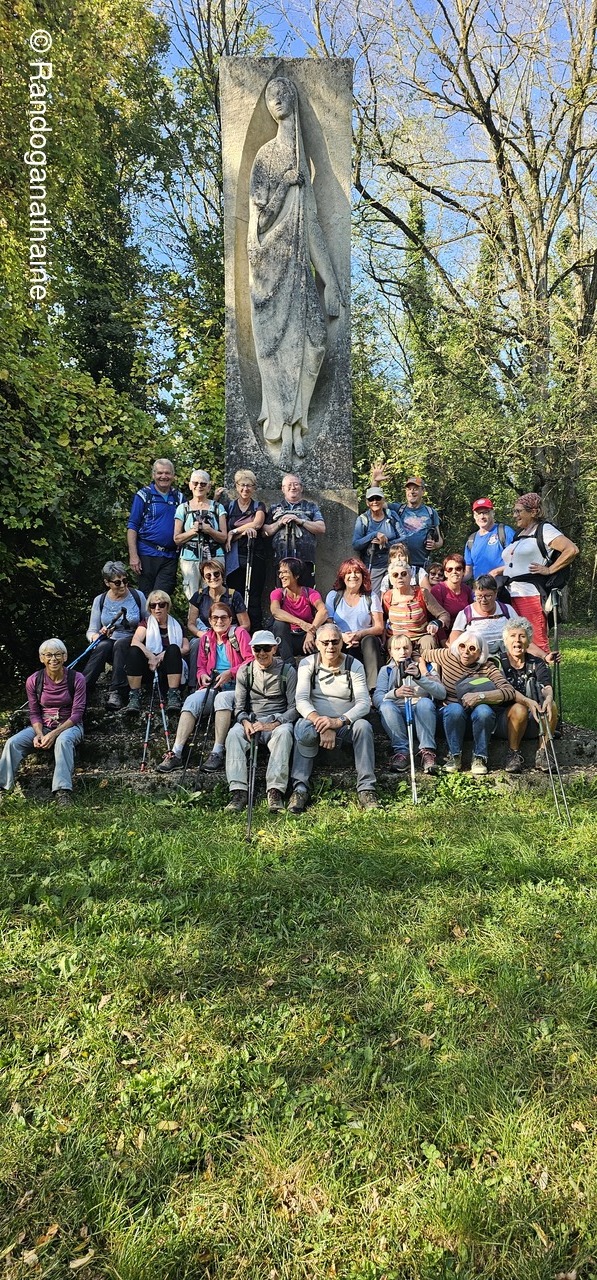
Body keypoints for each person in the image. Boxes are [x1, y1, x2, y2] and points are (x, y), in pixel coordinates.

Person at [248, 76, 343, 470]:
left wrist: (331, 281)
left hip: (299, 273)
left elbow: (313, 228)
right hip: (272, 271)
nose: (276, 100)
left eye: (282, 94)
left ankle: (299, 420)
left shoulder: (303, 158)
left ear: (292, 99)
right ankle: (285, 432)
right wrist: (286, 185)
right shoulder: (266, 156)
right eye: (270, 96)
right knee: (277, 355)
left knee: (316, 342)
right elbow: (259, 221)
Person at [289, 621, 377, 813]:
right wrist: (323, 724)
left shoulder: (354, 665)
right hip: (315, 722)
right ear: (317, 644)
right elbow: (301, 700)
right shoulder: (307, 664)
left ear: (342, 643)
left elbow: (364, 703)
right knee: (302, 728)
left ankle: (366, 788)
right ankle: (300, 788)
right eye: (325, 642)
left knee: (363, 727)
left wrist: (337, 722)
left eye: (335, 642)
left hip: (344, 723)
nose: (330, 646)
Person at [157, 603, 252, 774]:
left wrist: (231, 672)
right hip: (212, 686)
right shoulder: (206, 638)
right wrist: (202, 675)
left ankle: (217, 751)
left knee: (222, 699)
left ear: (230, 619)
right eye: (215, 618)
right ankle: (176, 752)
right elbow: (201, 666)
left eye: (223, 617)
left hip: (236, 687)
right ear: (209, 620)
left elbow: (251, 660)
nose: (219, 621)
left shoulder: (239, 634)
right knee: (191, 701)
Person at [0, 639, 86, 806]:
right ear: (42, 658)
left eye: (58, 654)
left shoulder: (77, 678)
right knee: (12, 743)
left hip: (70, 726)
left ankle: (62, 791)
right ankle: (2, 788)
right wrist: (39, 734)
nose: (53, 659)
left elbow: (77, 714)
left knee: (63, 741)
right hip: (43, 726)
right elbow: (34, 712)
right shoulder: (34, 680)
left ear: (65, 657)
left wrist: (53, 734)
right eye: (48, 655)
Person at [225, 630, 298, 813]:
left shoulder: (288, 671)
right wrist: (245, 722)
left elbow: (294, 708)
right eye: (257, 649)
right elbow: (239, 707)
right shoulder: (245, 671)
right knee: (234, 734)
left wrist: (274, 723)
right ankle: (238, 791)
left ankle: (275, 791)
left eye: (266, 648)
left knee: (284, 734)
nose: (262, 653)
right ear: (252, 650)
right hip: (252, 719)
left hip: (277, 720)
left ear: (274, 649)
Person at [499, 492, 579, 653]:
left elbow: (571, 550)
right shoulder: (519, 534)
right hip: (510, 594)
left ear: (534, 512)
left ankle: (542, 669)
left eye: (518, 511)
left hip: (531, 594)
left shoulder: (545, 529)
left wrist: (549, 569)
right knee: (514, 641)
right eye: (514, 511)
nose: (515, 515)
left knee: (536, 640)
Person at [431, 634, 515, 775]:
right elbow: (420, 653)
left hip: (479, 721)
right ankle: (454, 756)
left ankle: (479, 757)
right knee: (455, 709)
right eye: (462, 646)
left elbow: (509, 692)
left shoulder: (488, 667)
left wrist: (480, 696)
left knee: (484, 710)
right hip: (449, 718)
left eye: (472, 648)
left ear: (480, 653)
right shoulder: (447, 656)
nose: (465, 652)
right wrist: (427, 673)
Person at [374, 633, 446, 774]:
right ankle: (402, 752)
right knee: (386, 706)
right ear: (390, 651)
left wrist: (419, 677)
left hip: (422, 715)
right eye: (397, 649)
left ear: (412, 649)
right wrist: (395, 693)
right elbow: (377, 698)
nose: (403, 652)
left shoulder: (426, 668)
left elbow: (441, 693)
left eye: (406, 648)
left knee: (425, 702)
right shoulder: (386, 670)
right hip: (397, 717)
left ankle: (427, 752)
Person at [81, 561, 147, 710]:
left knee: (120, 644)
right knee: (103, 645)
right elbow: (91, 630)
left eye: (125, 580)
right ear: (107, 583)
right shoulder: (100, 600)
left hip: (133, 643)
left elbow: (149, 623)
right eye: (117, 582)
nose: (123, 585)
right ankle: (82, 687)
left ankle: (116, 692)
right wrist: (96, 637)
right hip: (110, 642)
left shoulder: (138, 596)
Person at [495, 617, 558, 773]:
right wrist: (527, 701)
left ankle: (543, 753)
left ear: (528, 641)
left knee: (551, 705)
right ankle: (513, 754)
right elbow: (506, 690)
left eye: (522, 636)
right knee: (519, 708)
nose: (517, 640)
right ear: (506, 641)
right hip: (504, 722)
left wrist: (548, 698)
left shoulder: (537, 663)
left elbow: (546, 686)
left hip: (533, 720)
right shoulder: (497, 663)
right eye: (513, 636)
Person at [187, 560, 250, 689]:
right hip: (205, 635)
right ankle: (195, 684)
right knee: (195, 643)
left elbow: (246, 624)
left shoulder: (233, 595)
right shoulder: (199, 596)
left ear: (222, 575)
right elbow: (191, 624)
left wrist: (232, 634)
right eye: (208, 575)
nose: (213, 578)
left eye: (216, 574)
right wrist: (203, 635)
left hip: (229, 634)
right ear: (204, 579)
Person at [127, 459, 184, 597]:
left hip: (170, 556)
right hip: (147, 553)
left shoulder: (179, 497)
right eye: (159, 473)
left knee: (162, 598)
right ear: (153, 475)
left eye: (167, 473)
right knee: (146, 598)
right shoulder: (144, 495)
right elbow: (132, 526)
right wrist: (133, 555)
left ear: (173, 475)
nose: (163, 476)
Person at [325, 558, 384, 692]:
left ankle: (373, 689)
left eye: (357, 572)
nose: (353, 576)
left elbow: (379, 627)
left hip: (364, 639)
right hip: (341, 639)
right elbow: (329, 624)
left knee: (370, 641)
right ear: (343, 576)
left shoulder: (371, 596)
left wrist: (360, 634)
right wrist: (343, 636)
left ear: (363, 576)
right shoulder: (333, 596)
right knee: (333, 641)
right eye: (349, 573)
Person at [125, 591, 189, 714]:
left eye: (161, 605)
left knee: (173, 649)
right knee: (134, 651)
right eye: (153, 605)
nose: (157, 608)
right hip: (150, 666)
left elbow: (186, 648)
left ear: (167, 606)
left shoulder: (177, 624)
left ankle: (173, 694)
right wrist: (151, 657)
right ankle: (134, 695)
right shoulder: (146, 623)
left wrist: (163, 655)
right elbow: (135, 641)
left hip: (169, 666)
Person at [372, 468, 443, 568]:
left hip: (422, 565)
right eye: (409, 489)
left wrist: (435, 545)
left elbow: (440, 540)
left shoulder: (431, 512)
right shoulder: (398, 509)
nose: (411, 492)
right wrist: (375, 482)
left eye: (415, 489)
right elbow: (375, 503)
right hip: (399, 564)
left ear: (423, 491)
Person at [174, 469, 227, 601]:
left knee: (214, 596)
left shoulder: (218, 508)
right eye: (195, 483)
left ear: (209, 487)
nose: (199, 486)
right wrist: (193, 531)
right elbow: (177, 539)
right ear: (190, 485)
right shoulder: (183, 508)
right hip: (190, 558)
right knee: (192, 597)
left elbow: (223, 537)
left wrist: (210, 530)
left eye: (203, 484)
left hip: (214, 556)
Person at [263, 474, 326, 587]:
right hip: (281, 558)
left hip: (305, 558)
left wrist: (300, 521)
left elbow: (321, 528)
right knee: (281, 591)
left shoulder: (311, 506)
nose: (293, 487)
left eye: (296, 484)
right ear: (283, 489)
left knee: (306, 590)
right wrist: (280, 522)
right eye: (289, 485)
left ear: (301, 488)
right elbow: (264, 532)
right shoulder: (275, 508)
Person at [224, 468, 267, 632]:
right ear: (236, 486)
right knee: (235, 595)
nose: (245, 489)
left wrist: (235, 531)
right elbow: (224, 533)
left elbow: (257, 524)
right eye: (242, 485)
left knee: (254, 596)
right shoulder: (229, 507)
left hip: (254, 556)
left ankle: (255, 632)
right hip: (234, 557)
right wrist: (240, 533)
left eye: (249, 485)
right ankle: (236, 631)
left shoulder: (258, 506)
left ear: (254, 488)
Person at [382, 561, 450, 652]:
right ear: (391, 579)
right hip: (397, 638)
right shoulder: (387, 597)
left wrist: (436, 624)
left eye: (404, 574)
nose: (400, 577)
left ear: (410, 576)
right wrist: (383, 637)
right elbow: (382, 620)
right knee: (398, 647)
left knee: (429, 641)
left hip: (421, 637)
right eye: (395, 575)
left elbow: (444, 615)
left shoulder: (422, 593)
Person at [270, 557, 329, 661]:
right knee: (279, 624)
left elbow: (323, 611)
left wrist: (311, 632)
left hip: (306, 638)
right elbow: (275, 611)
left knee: (326, 625)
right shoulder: (278, 593)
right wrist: (301, 623)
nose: (281, 576)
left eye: (285, 572)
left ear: (297, 575)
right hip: (286, 640)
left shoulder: (310, 593)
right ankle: (289, 664)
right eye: (280, 573)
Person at [451, 575, 520, 654]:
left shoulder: (507, 610)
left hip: (506, 656)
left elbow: (521, 634)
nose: (483, 600)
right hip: (477, 658)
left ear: (496, 593)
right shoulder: (466, 614)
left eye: (488, 596)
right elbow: (453, 644)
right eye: (479, 596)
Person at [352, 487, 402, 594]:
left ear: (383, 500)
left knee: (396, 595)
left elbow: (404, 538)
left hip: (394, 563)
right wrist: (373, 535)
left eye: (378, 498)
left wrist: (386, 543)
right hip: (374, 566)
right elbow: (356, 544)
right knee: (375, 597)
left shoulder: (391, 515)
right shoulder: (363, 519)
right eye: (371, 499)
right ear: (367, 502)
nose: (375, 501)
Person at [463, 498, 514, 582]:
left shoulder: (505, 532)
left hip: (504, 586)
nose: (481, 517)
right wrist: (452, 580)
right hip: (480, 588)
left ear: (492, 513)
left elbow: (517, 562)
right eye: (478, 513)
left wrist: (495, 572)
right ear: (474, 516)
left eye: (485, 512)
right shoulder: (471, 540)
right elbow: (468, 571)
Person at [431, 555, 474, 632]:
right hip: (444, 632)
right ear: (445, 573)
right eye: (449, 569)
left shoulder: (467, 589)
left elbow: (472, 613)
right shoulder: (438, 590)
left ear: (463, 572)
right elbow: (436, 619)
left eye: (458, 568)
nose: (454, 572)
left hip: (466, 631)